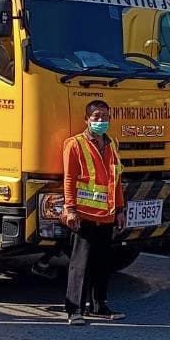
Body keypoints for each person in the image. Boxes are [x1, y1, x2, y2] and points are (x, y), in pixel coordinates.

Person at [62, 100, 126, 324]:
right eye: (96, 116)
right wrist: (70, 209)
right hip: (84, 215)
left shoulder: (112, 144)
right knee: (80, 264)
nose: (101, 121)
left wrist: (120, 210)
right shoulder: (74, 144)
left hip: (107, 215)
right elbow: (69, 179)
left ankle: (99, 306)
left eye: (105, 117)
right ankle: (74, 310)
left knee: (102, 264)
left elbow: (116, 180)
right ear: (86, 119)